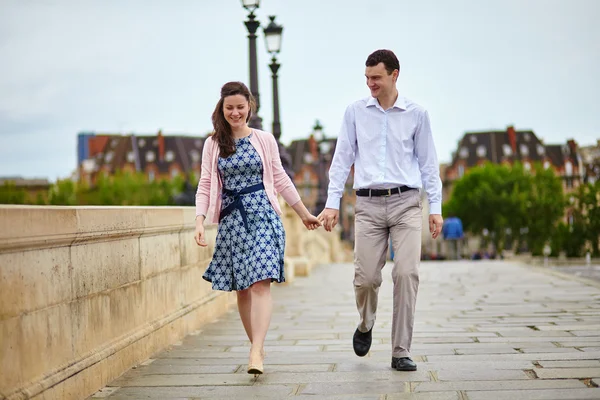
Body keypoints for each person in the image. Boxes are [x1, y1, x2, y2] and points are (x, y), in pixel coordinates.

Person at [318, 49, 443, 372]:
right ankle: (365, 322)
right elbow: (342, 159)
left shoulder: (417, 114)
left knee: (406, 273)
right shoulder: (355, 112)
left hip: (406, 203)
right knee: (366, 279)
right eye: (367, 78)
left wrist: (436, 207)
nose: (370, 84)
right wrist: (333, 203)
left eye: (376, 77)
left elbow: (429, 164)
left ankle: (400, 350)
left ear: (394, 75)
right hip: (369, 205)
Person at [194, 81, 320, 376]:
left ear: (249, 106)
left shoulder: (264, 139)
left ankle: (254, 351)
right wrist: (199, 221)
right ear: (221, 109)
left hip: (264, 214)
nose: (235, 113)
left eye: (240, 107)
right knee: (242, 290)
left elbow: (280, 179)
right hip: (232, 220)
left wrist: (303, 213)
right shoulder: (213, 144)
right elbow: (206, 184)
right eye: (229, 108)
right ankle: (258, 346)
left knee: (260, 282)